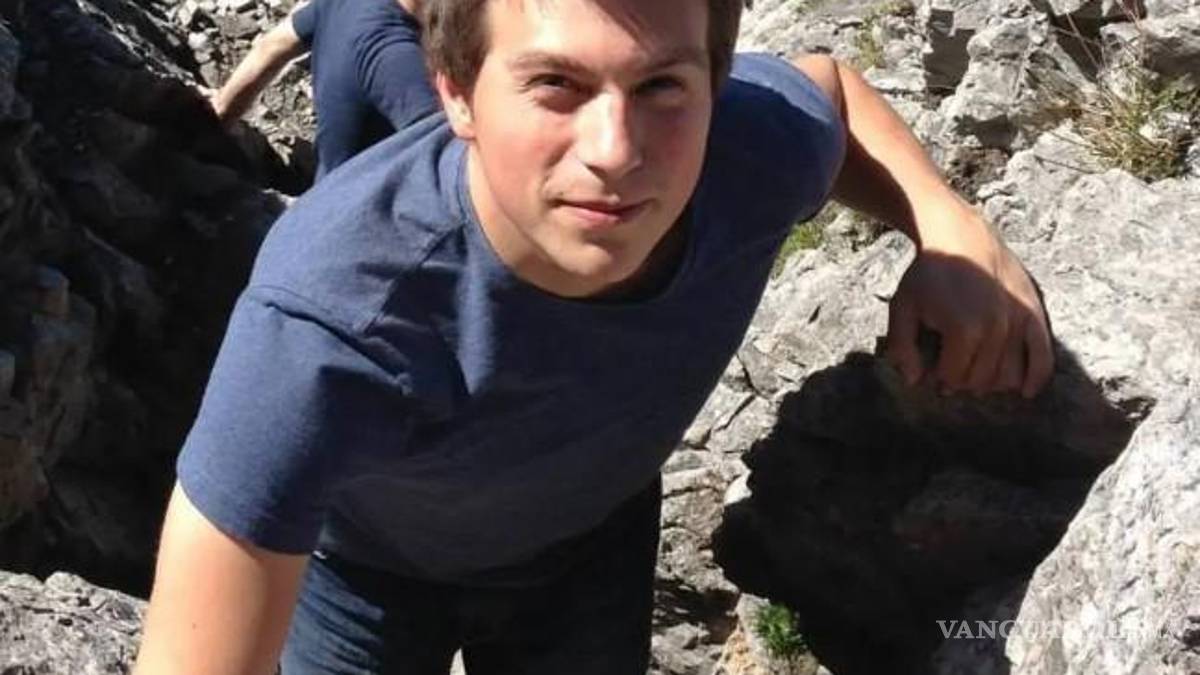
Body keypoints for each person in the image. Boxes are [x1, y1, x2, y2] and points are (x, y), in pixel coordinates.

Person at [134, 0, 1055, 672]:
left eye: (661, 85)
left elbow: (831, 94)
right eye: (556, 85)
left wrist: (948, 229)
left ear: (715, 85)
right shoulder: (325, 324)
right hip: (366, 576)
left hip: (585, 546)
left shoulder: (745, 152)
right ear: (455, 92)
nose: (615, 150)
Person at [210, 0, 438, 177]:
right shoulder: (394, 57)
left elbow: (272, 46)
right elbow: (448, 157)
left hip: (328, 188)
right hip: (368, 210)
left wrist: (220, 113)